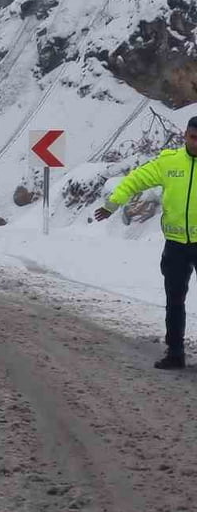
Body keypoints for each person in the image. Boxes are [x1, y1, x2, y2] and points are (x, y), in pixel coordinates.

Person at [96, 117, 197, 369]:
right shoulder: (169, 162)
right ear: (185, 135)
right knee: (175, 300)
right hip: (175, 245)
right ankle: (175, 353)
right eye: (193, 137)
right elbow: (135, 179)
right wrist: (113, 204)